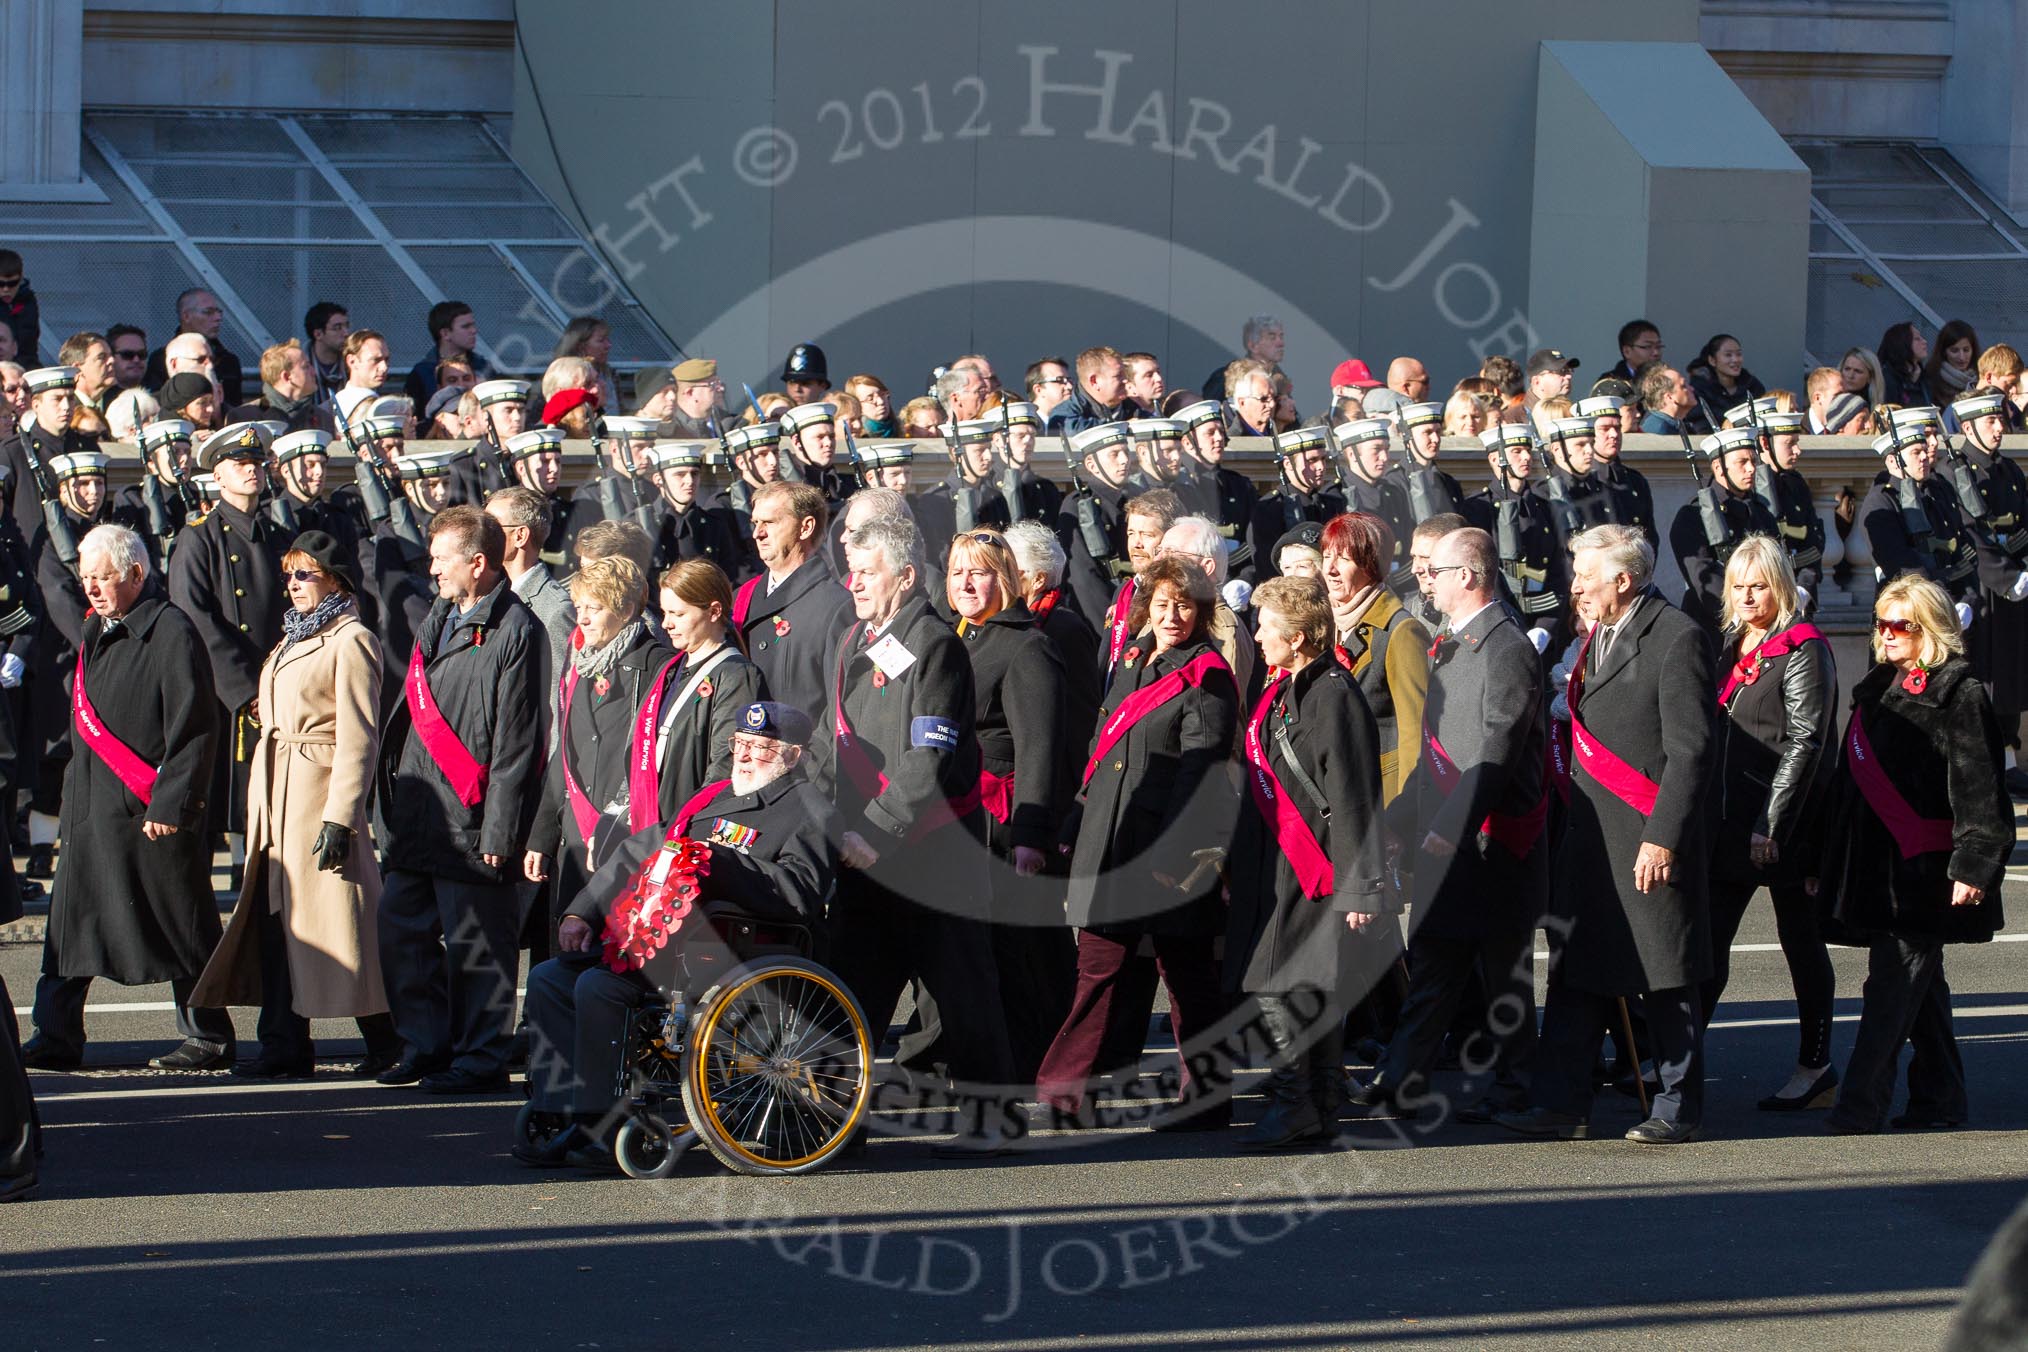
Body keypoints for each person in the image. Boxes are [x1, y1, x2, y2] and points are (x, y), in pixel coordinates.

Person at [515, 700, 839, 1169]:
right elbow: (636, 851)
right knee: (549, 978)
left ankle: (600, 1119)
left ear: (793, 756)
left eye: (760, 748)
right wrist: (582, 913)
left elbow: (799, 893)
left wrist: (721, 861)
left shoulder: (808, 809)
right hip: (661, 942)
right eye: (740, 745)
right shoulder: (712, 797)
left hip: (731, 950)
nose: (744, 757)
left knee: (599, 986)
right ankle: (558, 1102)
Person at [1499, 524, 1715, 1145]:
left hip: (1647, 839)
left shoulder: (1676, 638)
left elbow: (1691, 752)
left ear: (1623, 580)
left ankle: (1679, 1102)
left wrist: (1664, 836)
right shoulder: (1600, 635)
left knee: (1665, 973)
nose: (1577, 587)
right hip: (1593, 840)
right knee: (1577, 971)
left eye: (1587, 576)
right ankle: (1562, 1102)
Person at [813, 514, 1019, 1153]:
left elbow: (929, 751)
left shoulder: (934, 642)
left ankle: (992, 1123)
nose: (854, 582)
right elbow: (832, 734)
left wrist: (879, 829)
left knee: (964, 995)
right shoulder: (856, 639)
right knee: (851, 993)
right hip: (865, 854)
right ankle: (836, 1126)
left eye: (867, 572)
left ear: (905, 575)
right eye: (853, 571)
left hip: (928, 851)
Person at [1036, 554, 1241, 1129]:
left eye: (1184, 604)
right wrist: (1077, 826)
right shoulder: (1132, 657)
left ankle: (1202, 1098)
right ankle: (1066, 1097)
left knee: (1187, 979)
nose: (1172, 614)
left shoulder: (1208, 674)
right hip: (1114, 837)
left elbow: (1198, 777)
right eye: (1162, 603)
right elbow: (1104, 750)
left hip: (1167, 852)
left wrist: (1169, 858)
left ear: (1202, 611)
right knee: (1102, 970)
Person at [22, 524, 235, 1071]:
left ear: (137, 574)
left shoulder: (170, 630)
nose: (92, 588)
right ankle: (56, 1034)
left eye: (105, 577)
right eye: (86, 577)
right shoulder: (96, 630)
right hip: (94, 810)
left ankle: (207, 1035)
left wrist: (172, 804)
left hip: (148, 813)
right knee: (68, 928)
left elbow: (194, 727)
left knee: (179, 925)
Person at [189, 531, 401, 1077]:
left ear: (335, 578)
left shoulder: (350, 639)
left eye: (304, 574)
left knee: (346, 930)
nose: (293, 584)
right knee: (278, 924)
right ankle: (284, 1045)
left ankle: (389, 1041)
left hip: (318, 798)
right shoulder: (295, 635)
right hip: (279, 796)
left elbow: (360, 736)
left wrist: (340, 817)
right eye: (289, 574)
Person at [1361, 526, 1545, 1121]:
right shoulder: (1451, 639)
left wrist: (1451, 823)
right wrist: (1397, 822)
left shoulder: (1506, 646)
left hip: (1491, 843)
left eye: (1434, 571)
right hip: (1447, 834)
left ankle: (1520, 1090)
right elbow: (1433, 755)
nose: (1424, 580)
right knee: (1435, 962)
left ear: (1467, 576)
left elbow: (1498, 747)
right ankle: (1399, 1081)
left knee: (1503, 978)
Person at [1821, 576, 2010, 1134]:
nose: (1886, 634)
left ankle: (1859, 1107)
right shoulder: (1879, 685)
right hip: (1877, 866)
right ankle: (1939, 1101)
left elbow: (1980, 788)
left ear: (1930, 628)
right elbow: (1847, 785)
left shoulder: (1960, 691)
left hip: (1923, 869)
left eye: (1900, 624)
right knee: (1920, 992)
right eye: (1881, 624)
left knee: (1891, 988)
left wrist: (1975, 864)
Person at [375, 505, 547, 1093]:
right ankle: (426, 1045)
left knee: (478, 947)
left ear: (477, 562)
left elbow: (518, 742)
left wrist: (500, 832)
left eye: (441, 558)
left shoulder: (517, 629)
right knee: (401, 932)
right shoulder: (441, 616)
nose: (433, 569)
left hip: (472, 819)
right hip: (421, 816)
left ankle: (480, 1056)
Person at [1224, 575, 1387, 1147]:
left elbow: (1354, 795)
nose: (1258, 635)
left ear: (1297, 635)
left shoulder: (1332, 694)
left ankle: (1297, 1102)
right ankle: (1317, 1103)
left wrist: (1362, 887)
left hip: (1312, 865)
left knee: (1281, 982)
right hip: (1279, 863)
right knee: (1301, 983)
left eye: (1267, 625)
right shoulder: (1289, 687)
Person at [913, 529, 1074, 1087]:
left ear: (1004, 580)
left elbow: (1041, 746)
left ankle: (1046, 1066)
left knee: (1023, 953)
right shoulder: (960, 636)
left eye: (978, 572)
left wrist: (1032, 832)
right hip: (961, 819)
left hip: (1005, 822)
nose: (965, 583)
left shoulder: (1026, 645)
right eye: (957, 572)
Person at [1699, 536, 1839, 1110]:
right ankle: (1679, 1060)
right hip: (1731, 820)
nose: (1748, 595)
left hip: (1788, 822)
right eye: (1739, 585)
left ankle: (1816, 1066)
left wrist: (1771, 825)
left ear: (1780, 585)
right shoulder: (1733, 643)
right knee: (1708, 943)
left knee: (1801, 944)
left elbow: (1806, 744)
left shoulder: (1804, 646)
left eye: (1759, 585)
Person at [525, 555, 667, 935]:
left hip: (625, 836)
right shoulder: (582, 662)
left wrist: (614, 824)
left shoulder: (658, 665)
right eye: (579, 607)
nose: (582, 618)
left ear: (625, 608)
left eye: (595, 607)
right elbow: (566, 755)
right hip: (575, 834)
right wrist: (541, 836)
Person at [635, 558, 768, 821]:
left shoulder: (737, 676)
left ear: (714, 611)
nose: (666, 624)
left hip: (687, 833)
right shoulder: (672, 669)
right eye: (665, 613)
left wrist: (684, 830)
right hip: (652, 824)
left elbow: (725, 770)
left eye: (678, 614)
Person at [1945, 388, 2028, 792]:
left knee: (2012, 673)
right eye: (1990, 421)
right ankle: (1981, 764)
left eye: (2001, 419)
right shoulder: (1955, 471)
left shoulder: (2008, 471)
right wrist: (2006, 577)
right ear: (1967, 426)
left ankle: (2009, 756)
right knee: (1983, 675)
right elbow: (1969, 533)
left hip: (2016, 584)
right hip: (1983, 585)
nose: (1999, 428)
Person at [1321, 512, 1429, 805]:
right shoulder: (1325, 624)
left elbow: (1413, 735)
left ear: (1371, 565)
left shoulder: (1402, 631)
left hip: (1379, 798)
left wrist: (1402, 814)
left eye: (1343, 558)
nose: (1329, 569)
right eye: (1326, 556)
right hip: (1334, 793)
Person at [732, 480, 852, 720]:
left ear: (805, 527)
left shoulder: (837, 606)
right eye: (755, 523)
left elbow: (841, 705)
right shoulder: (740, 598)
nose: (758, 533)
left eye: (770, 522)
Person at [1669, 425, 1782, 640]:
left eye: (1753, 461)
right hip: (1714, 630)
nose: (1751, 468)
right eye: (1742, 462)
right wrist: (1742, 618)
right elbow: (1705, 579)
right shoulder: (1693, 516)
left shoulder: (1760, 512)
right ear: (1719, 468)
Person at [1465, 421, 1564, 646]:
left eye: (1528, 451)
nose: (1526, 457)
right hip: (1499, 624)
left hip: (1543, 623)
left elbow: (1559, 568)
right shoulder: (1477, 509)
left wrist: (1545, 627)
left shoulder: (1544, 506)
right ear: (1494, 460)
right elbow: (1483, 571)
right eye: (1516, 452)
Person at [1057, 421, 1137, 621]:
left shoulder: (1136, 498)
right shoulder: (1078, 504)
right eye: (1114, 454)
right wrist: (1110, 628)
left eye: (1126, 452)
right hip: (1105, 613)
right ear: (1092, 465)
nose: (1124, 460)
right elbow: (1084, 577)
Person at [1249, 425, 1346, 582]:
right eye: (1312, 460)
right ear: (1287, 464)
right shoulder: (1270, 509)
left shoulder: (1330, 504)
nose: (1321, 467)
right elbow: (1267, 568)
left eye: (1323, 459)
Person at [143, 288, 244, 406]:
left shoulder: (229, 361)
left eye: (218, 312)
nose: (217, 317)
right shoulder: (160, 360)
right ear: (186, 316)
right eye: (208, 312)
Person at [402, 301, 488, 412]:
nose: (474, 330)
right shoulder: (421, 374)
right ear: (445, 333)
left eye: (473, 325)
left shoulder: (484, 367)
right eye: (466, 326)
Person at [1047, 345, 1132, 435]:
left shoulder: (1134, 408)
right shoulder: (1064, 415)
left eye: (1125, 375)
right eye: (1118, 376)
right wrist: (1126, 428)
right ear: (1094, 381)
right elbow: (1075, 434)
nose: (1125, 380)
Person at [1687, 334, 1766, 423]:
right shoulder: (1699, 390)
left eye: (1739, 354)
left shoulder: (1752, 385)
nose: (1735, 360)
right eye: (1728, 355)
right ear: (1712, 360)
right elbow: (1699, 424)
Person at [1921, 319, 1980, 409]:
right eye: (1954, 351)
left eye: (1966, 350)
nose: (1961, 357)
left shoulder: (1981, 379)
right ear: (1944, 352)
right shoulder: (1931, 380)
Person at [1606, 320, 1663, 386]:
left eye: (1658, 346)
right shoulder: (1611, 383)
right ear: (1627, 351)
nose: (1656, 353)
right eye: (1647, 346)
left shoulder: (1667, 380)